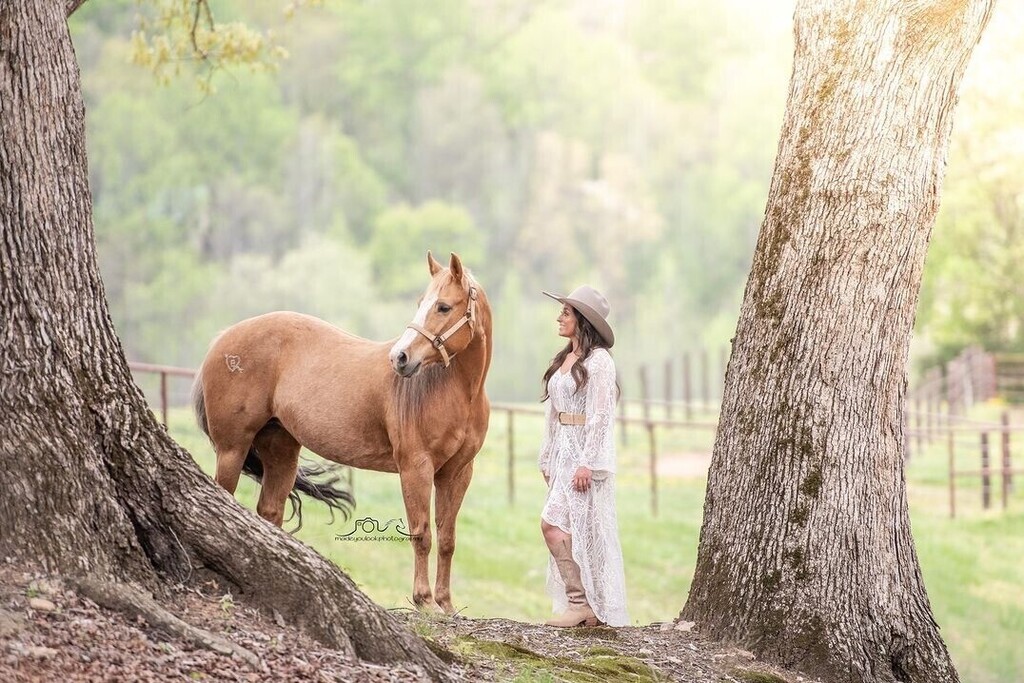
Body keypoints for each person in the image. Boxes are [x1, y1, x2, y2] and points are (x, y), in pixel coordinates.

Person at [538, 284, 628, 628]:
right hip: (563, 453)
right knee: (560, 525)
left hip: (584, 459)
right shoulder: (565, 359)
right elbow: (554, 413)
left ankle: (584, 604)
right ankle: (582, 605)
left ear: (582, 321)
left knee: (561, 526)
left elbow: (602, 415)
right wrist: (547, 457)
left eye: (566, 312)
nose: (559, 317)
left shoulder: (600, 362)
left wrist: (588, 462)